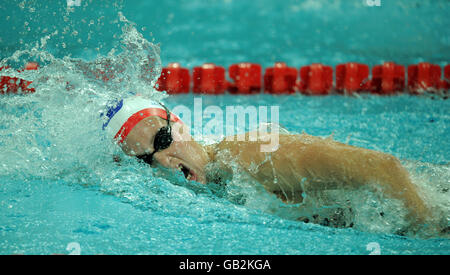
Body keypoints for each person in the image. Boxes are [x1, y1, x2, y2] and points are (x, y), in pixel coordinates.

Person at [102, 95, 432, 231]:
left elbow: (381, 168)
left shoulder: (252, 156)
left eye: (161, 141)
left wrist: (427, 232)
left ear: (179, 123)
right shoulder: (219, 185)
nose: (162, 161)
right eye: (146, 160)